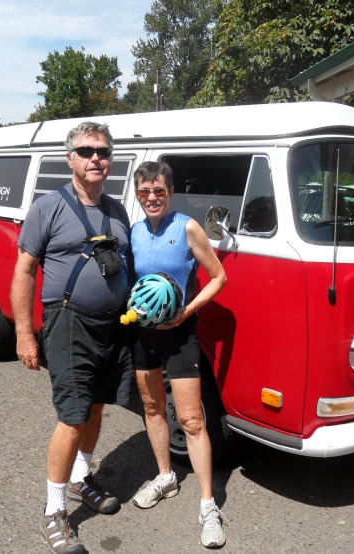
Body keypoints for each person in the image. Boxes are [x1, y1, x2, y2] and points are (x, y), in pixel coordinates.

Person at [11, 121, 133, 554]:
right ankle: (53, 510)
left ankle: (83, 480)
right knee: (72, 415)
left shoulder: (119, 210)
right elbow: (24, 270)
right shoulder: (48, 207)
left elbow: (126, 267)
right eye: (86, 151)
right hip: (68, 323)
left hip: (114, 324)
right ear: (71, 158)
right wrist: (25, 333)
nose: (95, 158)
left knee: (97, 405)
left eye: (102, 151)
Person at [129, 161, 228, 548]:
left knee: (191, 420)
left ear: (170, 192)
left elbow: (219, 276)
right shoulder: (134, 232)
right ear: (137, 195)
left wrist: (186, 311)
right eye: (144, 192)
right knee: (152, 408)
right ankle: (166, 477)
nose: (151, 198)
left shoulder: (187, 227)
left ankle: (208, 506)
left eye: (158, 191)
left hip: (180, 333)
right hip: (142, 332)